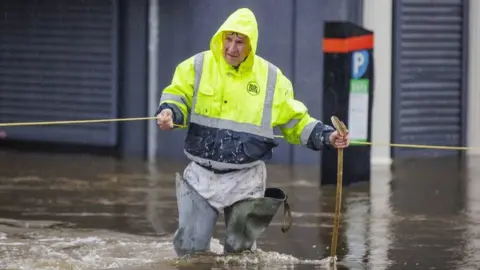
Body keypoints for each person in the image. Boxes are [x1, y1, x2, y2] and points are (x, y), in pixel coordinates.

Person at [155, 8, 349, 257]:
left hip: (246, 178)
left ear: (251, 45)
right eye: (228, 39)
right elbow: (177, 96)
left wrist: (327, 136)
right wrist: (170, 112)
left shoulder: (271, 78)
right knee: (189, 251)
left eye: (240, 42)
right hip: (201, 175)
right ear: (220, 38)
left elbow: (295, 121)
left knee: (240, 254)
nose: (232, 48)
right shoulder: (197, 65)